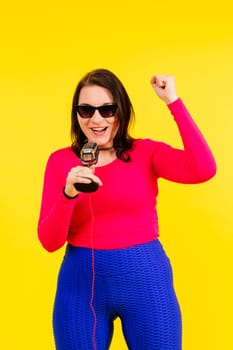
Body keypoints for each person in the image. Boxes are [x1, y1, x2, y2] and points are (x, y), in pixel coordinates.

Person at [37, 68, 216, 350]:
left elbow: (203, 169)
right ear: (76, 114)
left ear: (121, 110)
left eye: (107, 109)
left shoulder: (146, 153)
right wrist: (68, 193)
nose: (96, 119)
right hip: (81, 285)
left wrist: (174, 103)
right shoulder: (61, 162)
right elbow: (49, 242)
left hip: (147, 280)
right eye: (86, 110)